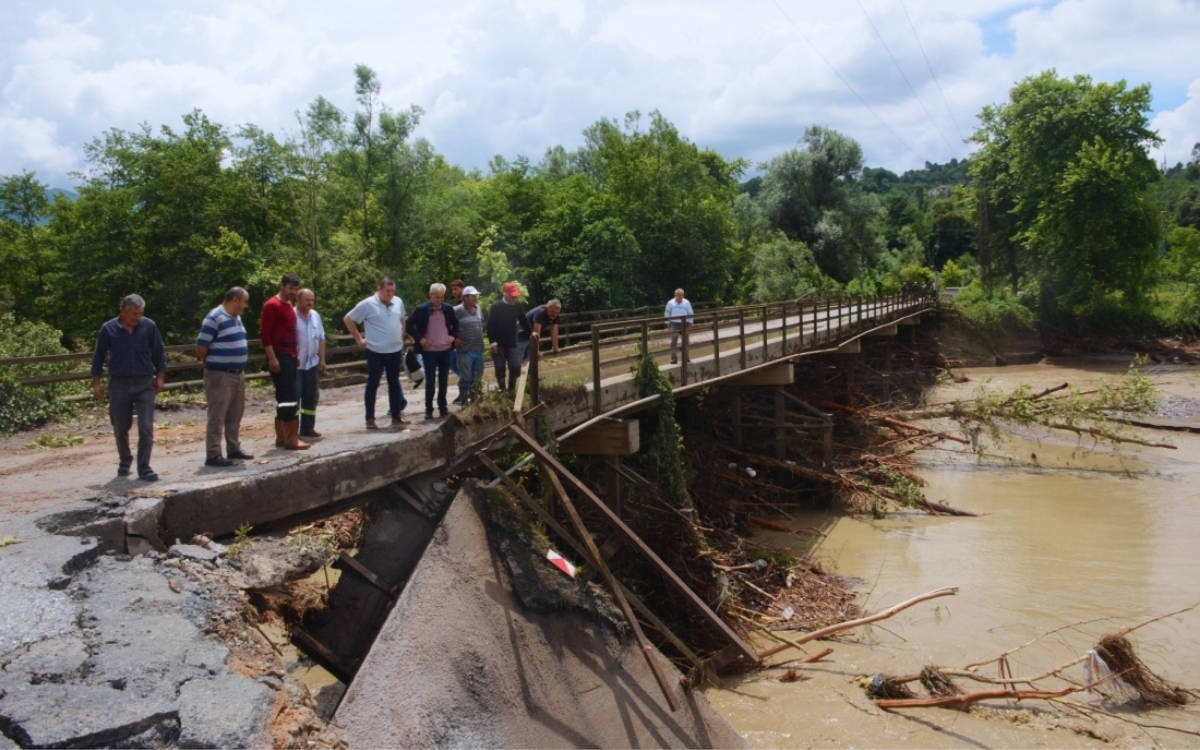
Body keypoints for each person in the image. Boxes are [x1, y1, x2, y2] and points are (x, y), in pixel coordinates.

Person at [91, 293, 166, 481]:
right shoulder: (108, 329)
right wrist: (97, 384)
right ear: (123, 311)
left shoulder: (149, 326)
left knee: (146, 426)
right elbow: (98, 357)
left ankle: (144, 467)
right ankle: (125, 459)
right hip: (119, 383)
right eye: (134, 314)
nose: (137, 318)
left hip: (144, 382)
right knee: (120, 426)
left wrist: (160, 377)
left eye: (140, 314)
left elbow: (158, 352)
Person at [195, 287, 253, 467]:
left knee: (235, 413)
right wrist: (206, 361)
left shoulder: (237, 318)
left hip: (237, 373)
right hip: (220, 374)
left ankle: (233, 448)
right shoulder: (214, 318)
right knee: (217, 415)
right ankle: (213, 454)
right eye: (244, 301)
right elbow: (201, 345)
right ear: (235, 299)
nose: (245, 306)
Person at [344, 277, 408, 430]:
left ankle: (396, 415)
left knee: (394, 383)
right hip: (375, 351)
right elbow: (348, 319)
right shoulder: (368, 304)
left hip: (394, 350)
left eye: (392, 291)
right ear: (379, 289)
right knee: (373, 384)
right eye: (387, 291)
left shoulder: (398, 301)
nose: (390, 294)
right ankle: (370, 418)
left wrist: (401, 334)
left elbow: (403, 318)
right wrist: (359, 339)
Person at [261, 273, 310, 450]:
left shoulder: (289, 305)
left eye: (295, 289)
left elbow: (291, 331)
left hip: (290, 355)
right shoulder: (271, 305)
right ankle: (291, 438)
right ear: (282, 286)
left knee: (288, 396)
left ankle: (282, 437)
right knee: (288, 397)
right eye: (290, 288)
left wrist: (295, 354)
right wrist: (272, 358)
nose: (293, 292)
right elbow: (265, 334)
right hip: (279, 355)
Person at [406, 283, 461, 419]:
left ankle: (443, 408)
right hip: (429, 351)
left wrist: (452, 336)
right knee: (430, 381)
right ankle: (428, 409)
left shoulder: (448, 308)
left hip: (445, 350)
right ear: (430, 295)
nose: (439, 300)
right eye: (437, 297)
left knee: (443, 380)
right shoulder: (421, 309)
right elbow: (408, 325)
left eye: (441, 297)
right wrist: (419, 339)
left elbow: (456, 324)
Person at [486, 282, 531, 397]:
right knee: (500, 366)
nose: (514, 298)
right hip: (498, 343)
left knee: (515, 366)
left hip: (512, 341)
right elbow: (490, 326)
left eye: (515, 296)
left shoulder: (517, 306)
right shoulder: (496, 307)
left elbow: (524, 321)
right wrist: (493, 343)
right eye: (512, 296)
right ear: (505, 294)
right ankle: (502, 390)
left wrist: (532, 332)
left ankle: (511, 389)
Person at [295, 288, 327, 438]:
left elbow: (321, 338)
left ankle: (308, 427)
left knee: (311, 396)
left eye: (312, 300)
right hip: (296, 365)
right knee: (295, 398)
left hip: (312, 363)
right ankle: (291, 431)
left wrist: (322, 359)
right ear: (298, 300)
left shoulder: (315, 316)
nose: (310, 303)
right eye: (307, 300)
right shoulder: (291, 315)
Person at [452, 285, 486, 404]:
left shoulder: (478, 309)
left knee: (478, 375)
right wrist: (454, 338)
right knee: (466, 376)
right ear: (465, 298)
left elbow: (481, 324)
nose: (476, 298)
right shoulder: (456, 310)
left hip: (478, 348)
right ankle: (464, 401)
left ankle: (475, 400)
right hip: (464, 349)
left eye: (476, 296)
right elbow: (448, 326)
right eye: (473, 296)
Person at [664, 288, 694, 365]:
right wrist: (668, 323)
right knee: (673, 342)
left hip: (685, 323)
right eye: (678, 295)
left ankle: (686, 358)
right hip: (674, 323)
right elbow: (667, 313)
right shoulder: (670, 303)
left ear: (683, 295)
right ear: (675, 295)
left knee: (686, 341)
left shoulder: (686, 302)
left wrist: (690, 323)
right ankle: (673, 359)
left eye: (681, 295)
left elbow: (690, 313)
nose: (679, 297)